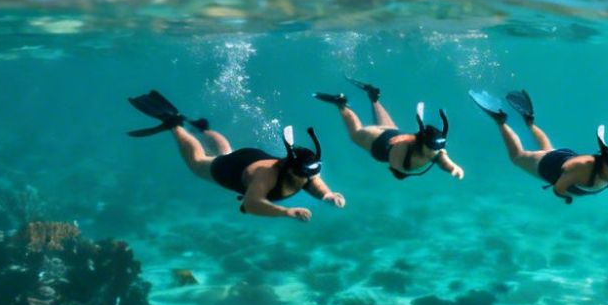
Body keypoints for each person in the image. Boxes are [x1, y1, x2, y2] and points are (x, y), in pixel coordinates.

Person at [126, 90, 343, 221]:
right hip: (233, 169)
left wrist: (328, 196)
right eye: (308, 172)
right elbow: (252, 204)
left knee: (226, 151)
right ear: (290, 167)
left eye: (314, 170)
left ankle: (203, 129)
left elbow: (314, 182)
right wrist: (287, 213)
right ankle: (175, 125)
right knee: (199, 163)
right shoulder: (267, 177)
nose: (311, 176)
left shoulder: (305, 167)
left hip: (251, 157)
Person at [469, 89, 608, 204]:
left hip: (564, 156)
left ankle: (529, 121)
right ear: (604, 163)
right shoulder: (580, 170)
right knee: (517, 157)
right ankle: (500, 120)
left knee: (549, 148)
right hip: (549, 165)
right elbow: (558, 189)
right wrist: (567, 197)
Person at [314, 79, 464, 181]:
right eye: (432, 147)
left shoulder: (434, 150)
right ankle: (341, 104)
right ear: (422, 143)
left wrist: (453, 168)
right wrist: (400, 172)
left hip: (393, 133)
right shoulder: (402, 150)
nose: (434, 152)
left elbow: (444, 160)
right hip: (378, 141)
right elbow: (395, 166)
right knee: (356, 134)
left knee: (389, 126)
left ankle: (373, 98)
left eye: (437, 148)